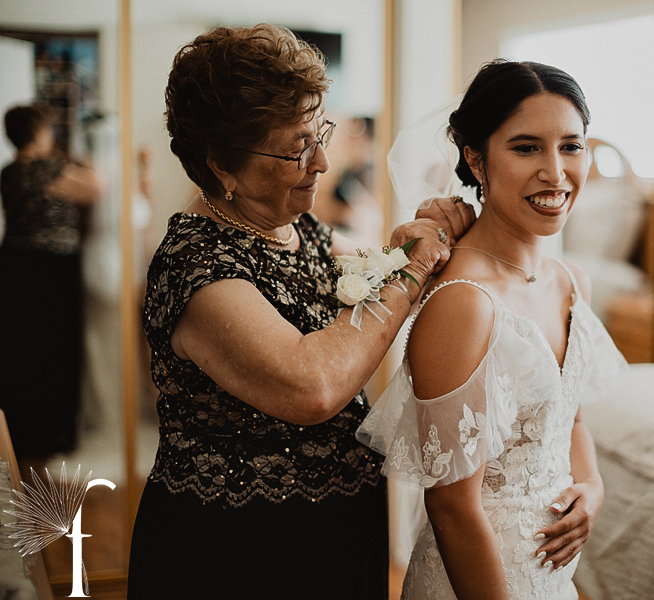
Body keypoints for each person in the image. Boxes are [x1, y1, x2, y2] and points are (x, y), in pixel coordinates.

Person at [126, 24, 474, 600]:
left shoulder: (295, 226)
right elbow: (312, 384)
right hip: (240, 550)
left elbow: (368, 277)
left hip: (334, 526)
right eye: (296, 148)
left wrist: (409, 243)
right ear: (222, 166)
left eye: (321, 133)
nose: (322, 161)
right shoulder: (195, 267)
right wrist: (413, 271)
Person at [357, 60, 627, 599]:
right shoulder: (463, 302)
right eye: (527, 148)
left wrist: (592, 487)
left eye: (571, 146)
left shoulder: (573, 282)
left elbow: (567, 419)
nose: (555, 172)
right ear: (475, 159)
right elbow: (452, 507)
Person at [0, 103, 101, 458]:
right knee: (59, 348)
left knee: (23, 350)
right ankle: (54, 434)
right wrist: (84, 163)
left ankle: (22, 433)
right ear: (39, 132)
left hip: (14, 265)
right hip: (51, 268)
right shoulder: (50, 167)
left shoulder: (9, 172)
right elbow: (94, 189)